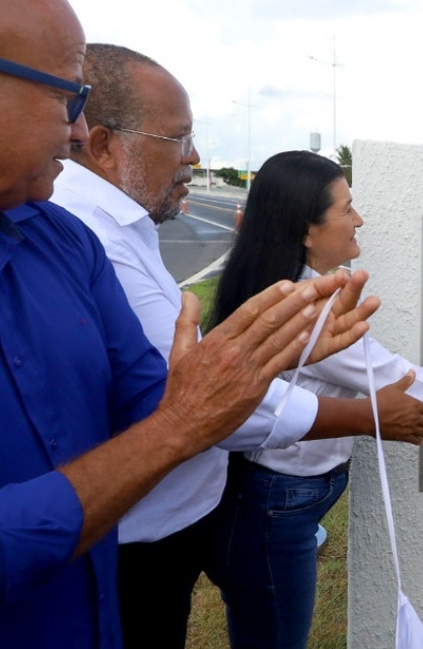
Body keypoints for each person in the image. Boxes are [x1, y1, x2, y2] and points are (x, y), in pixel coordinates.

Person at [0, 1, 377, 647]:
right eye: (67, 94)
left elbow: (157, 388)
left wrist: (255, 360)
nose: (76, 128)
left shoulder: (60, 238)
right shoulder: (90, 230)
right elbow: (177, 412)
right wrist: (180, 424)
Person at [49, 43, 423, 649]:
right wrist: (370, 414)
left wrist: (283, 358)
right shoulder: (95, 240)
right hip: (137, 545)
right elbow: (201, 401)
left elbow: (191, 378)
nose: (195, 156)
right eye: (178, 139)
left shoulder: (125, 229)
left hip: (176, 527)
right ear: (105, 145)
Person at [207, 149, 423, 649]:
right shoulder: (305, 305)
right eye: (346, 209)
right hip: (272, 508)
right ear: (306, 229)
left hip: (279, 504)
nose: (359, 220)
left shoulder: (296, 289)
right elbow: (406, 383)